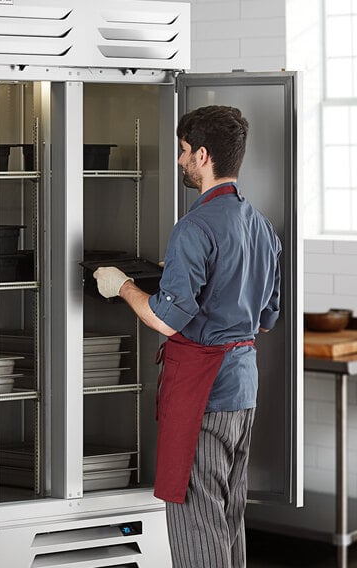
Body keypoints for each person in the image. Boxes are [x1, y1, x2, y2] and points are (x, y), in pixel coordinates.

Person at [93, 105, 281, 568]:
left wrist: (123, 286)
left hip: (202, 393)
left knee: (196, 520)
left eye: (181, 152)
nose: (178, 161)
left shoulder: (194, 227)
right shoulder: (260, 227)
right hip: (242, 389)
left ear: (202, 155)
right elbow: (263, 319)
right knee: (227, 516)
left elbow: (166, 320)